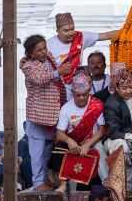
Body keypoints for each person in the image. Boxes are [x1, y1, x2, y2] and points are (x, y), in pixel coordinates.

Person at [20, 35, 68, 188]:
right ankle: (38, 188)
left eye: (44, 48)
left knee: (48, 156)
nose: (43, 52)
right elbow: (40, 78)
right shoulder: (28, 66)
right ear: (30, 54)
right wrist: (58, 72)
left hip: (52, 117)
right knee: (37, 159)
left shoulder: (50, 59)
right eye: (38, 50)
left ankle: (48, 185)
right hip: (38, 119)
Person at [46, 12, 117, 101]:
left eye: (72, 29)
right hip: (56, 90)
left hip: (77, 89)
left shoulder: (80, 37)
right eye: (66, 30)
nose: (71, 33)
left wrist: (129, 30)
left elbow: (105, 35)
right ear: (57, 31)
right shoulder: (48, 45)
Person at [54, 74, 106, 191]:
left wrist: (87, 145)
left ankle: (106, 183)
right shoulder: (66, 108)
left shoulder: (96, 105)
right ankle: (63, 184)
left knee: (99, 150)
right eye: (78, 95)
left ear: (89, 91)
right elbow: (59, 133)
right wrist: (69, 141)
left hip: (92, 142)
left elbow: (101, 130)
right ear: (72, 93)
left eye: (85, 95)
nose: (82, 98)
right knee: (59, 147)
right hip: (74, 143)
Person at [104, 68, 132, 191]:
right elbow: (114, 133)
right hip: (115, 140)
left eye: (130, 87)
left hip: (131, 138)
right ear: (117, 88)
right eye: (124, 88)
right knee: (122, 147)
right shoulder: (112, 103)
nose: (128, 91)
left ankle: (131, 198)